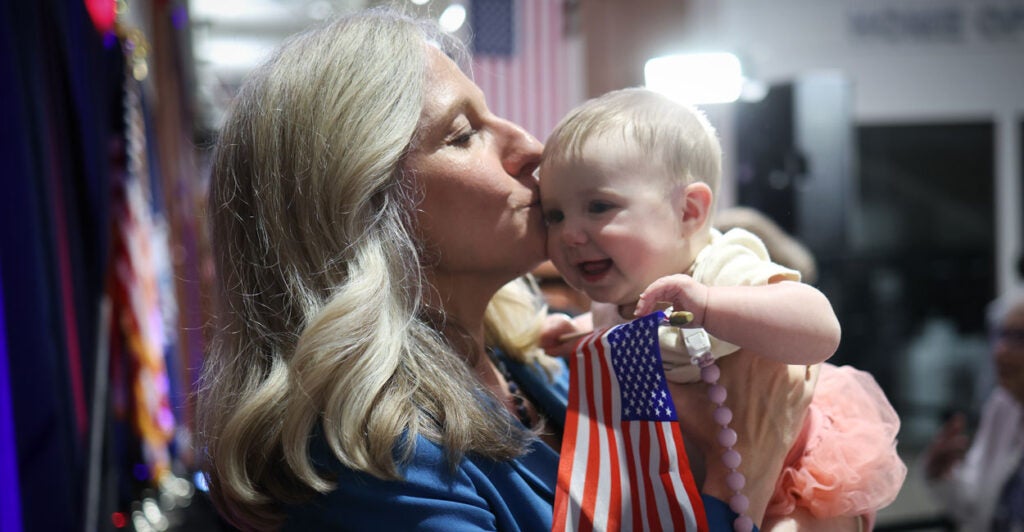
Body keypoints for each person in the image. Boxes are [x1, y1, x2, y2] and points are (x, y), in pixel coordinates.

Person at [196, 8, 812, 531]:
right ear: (360, 208)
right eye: (465, 133)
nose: (532, 148)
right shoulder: (370, 463)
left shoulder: (529, 357)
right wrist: (748, 470)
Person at [538, 88, 905, 531]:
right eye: (554, 215)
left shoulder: (719, 268)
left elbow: (820, 327)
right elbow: (616, 330)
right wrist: (574, 332)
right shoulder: (612, 302)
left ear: (689, 211)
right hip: (707, 481)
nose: (570, 234)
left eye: (599, 207)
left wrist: (712, 306)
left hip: (795, 473)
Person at [923, 289, 1024, 531]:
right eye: (1000, 336)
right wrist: (941, 472)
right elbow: (975, 505)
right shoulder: (1003, 406)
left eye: (1019, 338)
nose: (1000, 351)